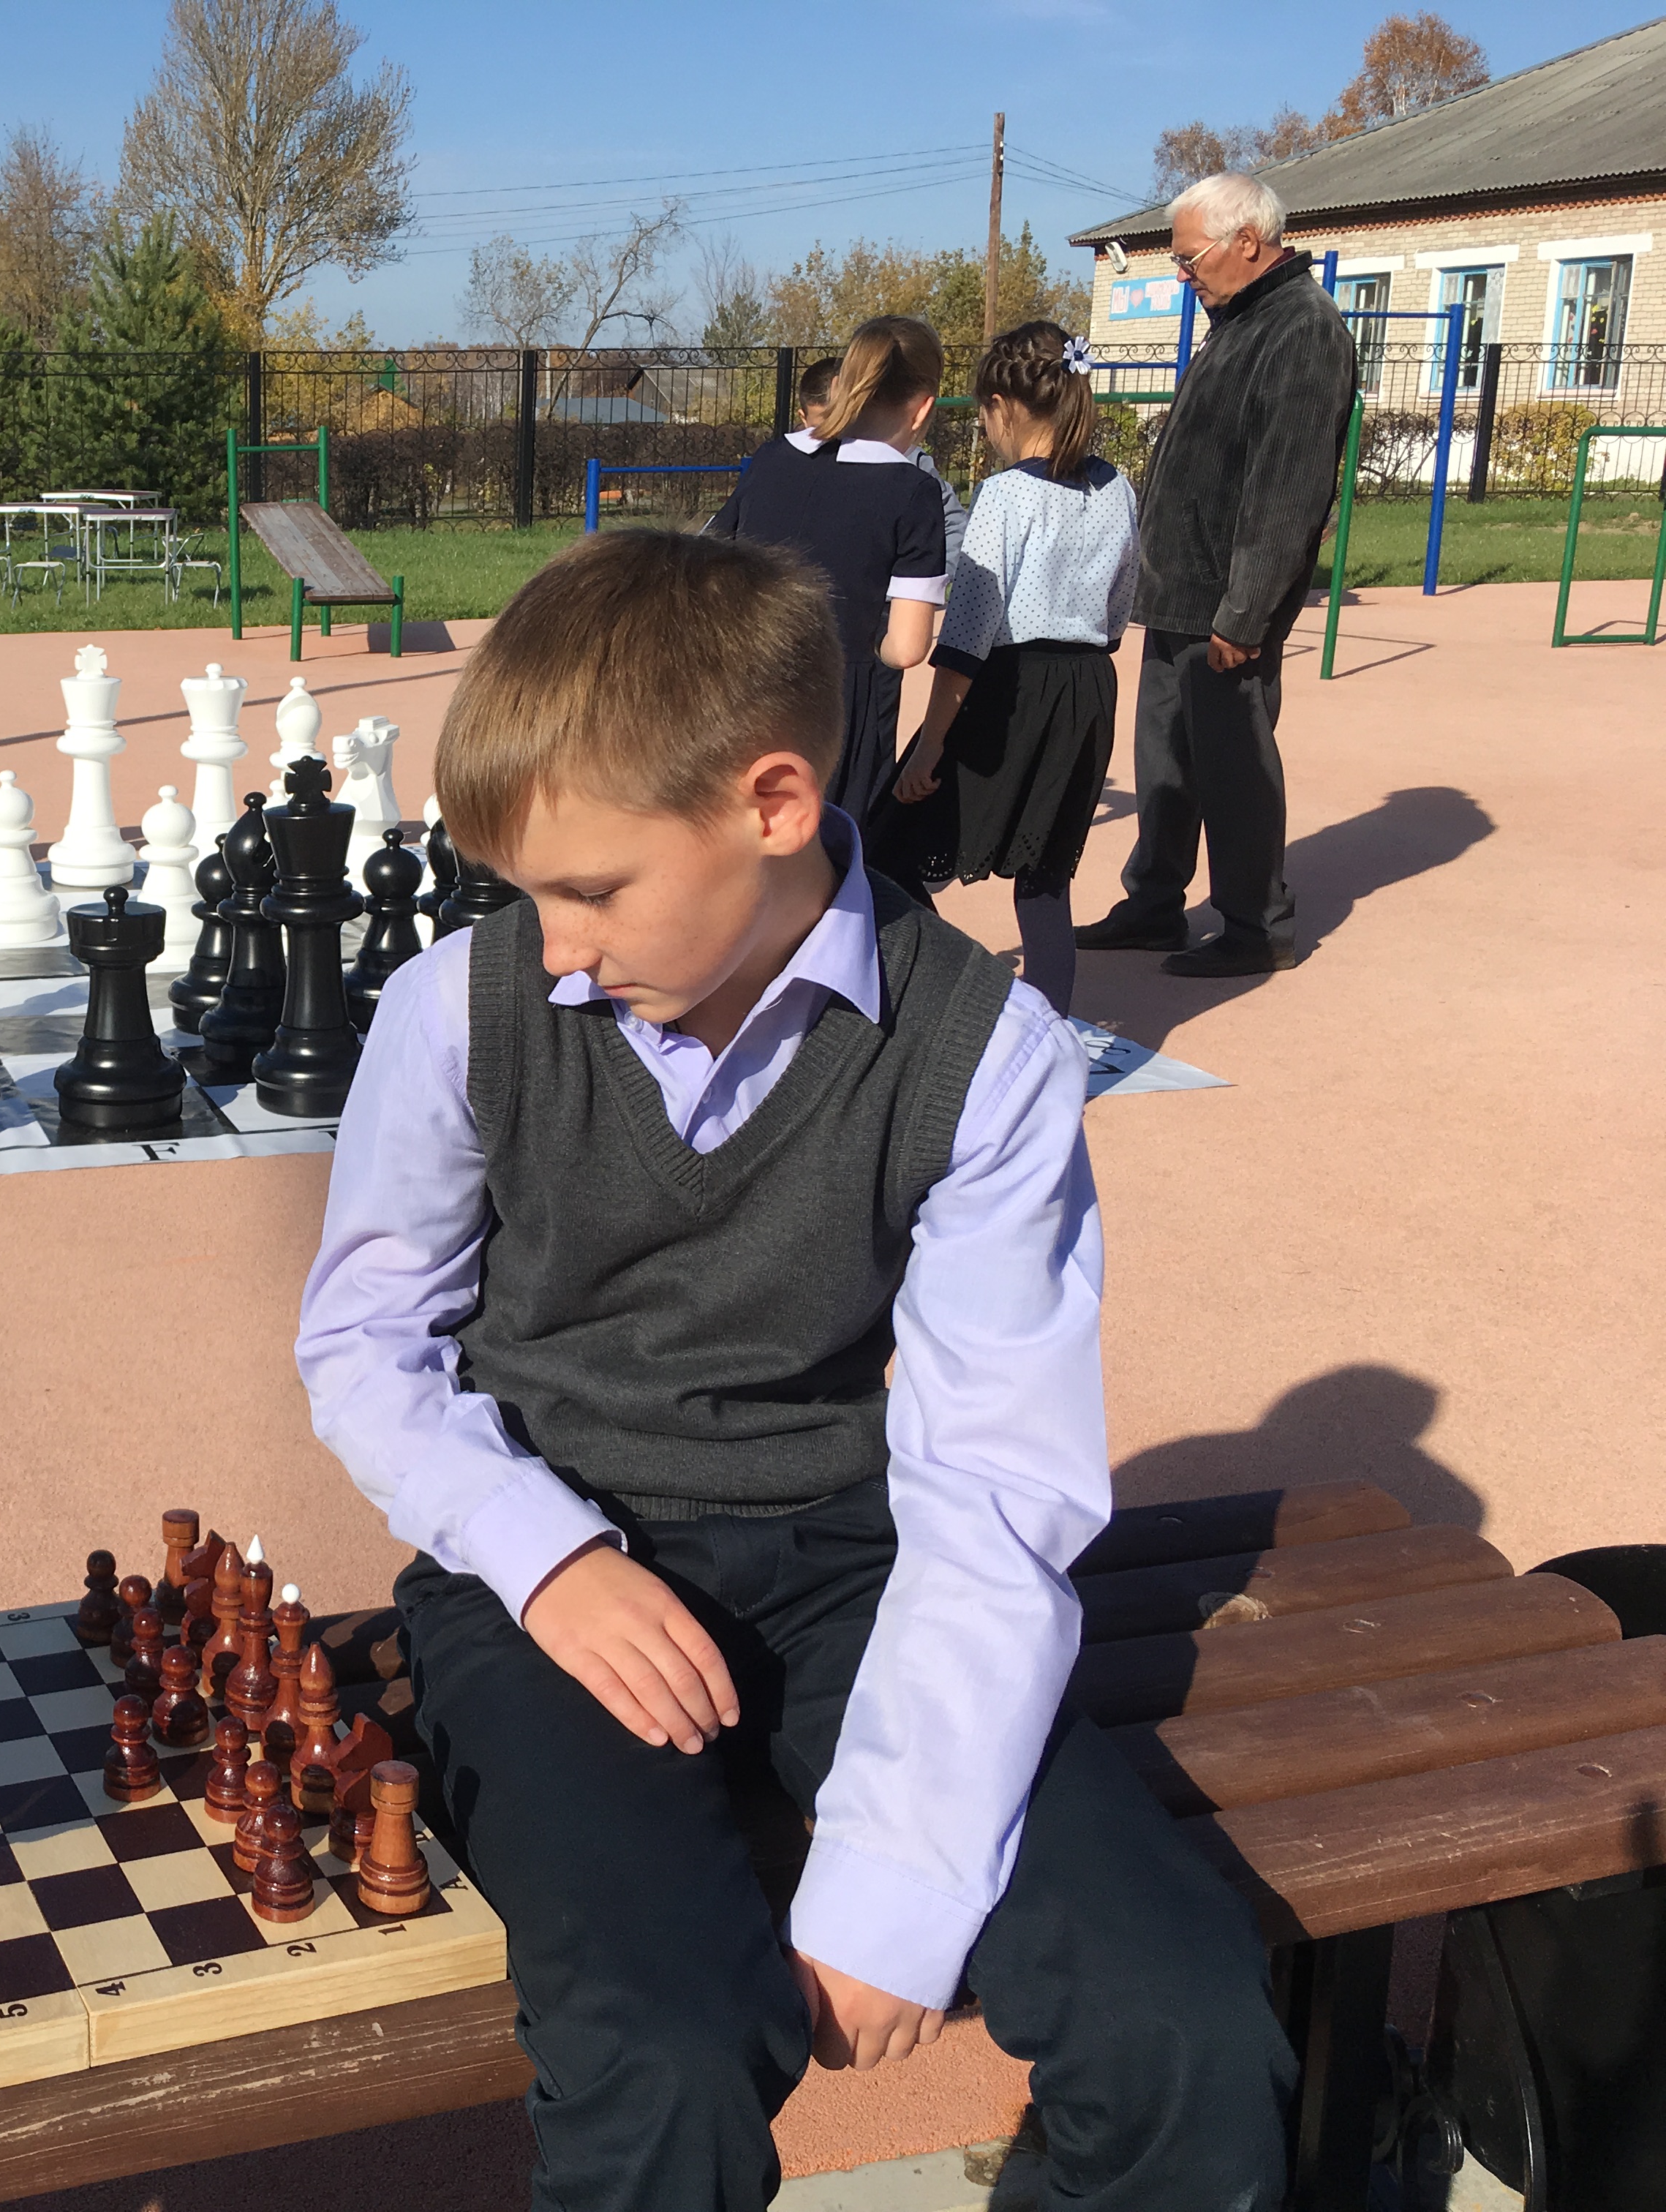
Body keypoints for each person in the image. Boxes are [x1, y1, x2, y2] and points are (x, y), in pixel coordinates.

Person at [297, 528, 1292, 2212]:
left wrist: (899, 1886)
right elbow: (365, 1343)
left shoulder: (982, 1052)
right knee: (670, 2057)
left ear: (770, 803)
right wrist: (549, 1561)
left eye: (589, 890)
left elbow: (994, 1476)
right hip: (544, 1576)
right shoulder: (459, 1008)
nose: (555, 945)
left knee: (1184, 2031)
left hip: (859, 1558)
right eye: (530, 897)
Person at [1076, 170, 1357, 977]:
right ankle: (1154, 904)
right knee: (1165, 759)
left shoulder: (1302, 330)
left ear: (1248, 241)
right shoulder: (1237, 319)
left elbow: (1288, 490)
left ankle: (1254, 926)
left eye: (1189, 258)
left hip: (1229, 605)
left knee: (1234, 766)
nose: (1181, 274)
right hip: (1181, 593)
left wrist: (1247, 612)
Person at [874, 322, 1140, 1015]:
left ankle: (950, 999)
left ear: (1000, 406)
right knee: (1045, 877)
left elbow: (968, 631)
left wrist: (929, 745)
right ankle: (1048, 1029)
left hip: (1008, 689)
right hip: (1086, 691)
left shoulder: (1005, 494)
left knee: (889, 846)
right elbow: (1120, 607)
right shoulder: (1118, 487)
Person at [709, 317, 950, 818]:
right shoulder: (914, 491)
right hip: (840, 702)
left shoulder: (772, 457)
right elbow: (906, 648)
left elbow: (711, 560)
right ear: (924, 407)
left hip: (749, 683)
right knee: (830, 843)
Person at [797, 354, 965, 572]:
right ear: (804, 419)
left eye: (842, 419)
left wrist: (932, 577)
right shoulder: (791, 466)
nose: (835, 432)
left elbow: (952, 523)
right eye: (823, 426)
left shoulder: (908, 461)